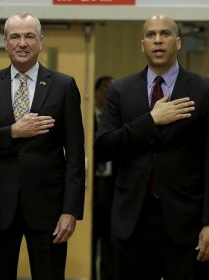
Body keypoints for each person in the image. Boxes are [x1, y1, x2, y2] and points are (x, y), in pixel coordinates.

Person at [95, 15, 209, 280]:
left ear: (178, 42)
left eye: (165, 34)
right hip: (132, 219)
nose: (158, 40)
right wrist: (150, 120)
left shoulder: (206, 91)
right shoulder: (120, 90)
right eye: (151, 35)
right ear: (142, 45)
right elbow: (104, 146)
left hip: (186, 220)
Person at [0, 11, 85, 280]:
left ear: (40, 41)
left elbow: (75, 154)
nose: (22, 43)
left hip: (49, 209)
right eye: (15, 36)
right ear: (6, 41)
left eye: (29, 36)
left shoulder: (63, 85)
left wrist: (71, 210)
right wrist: (12, 132)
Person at [92, 76, 115, 280]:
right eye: (107, 88)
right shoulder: (88, 117)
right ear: (97, 91)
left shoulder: (118, 119)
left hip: (111, 186)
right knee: (91, 238)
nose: (109, 93)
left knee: (110, 240)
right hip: (92, 186)